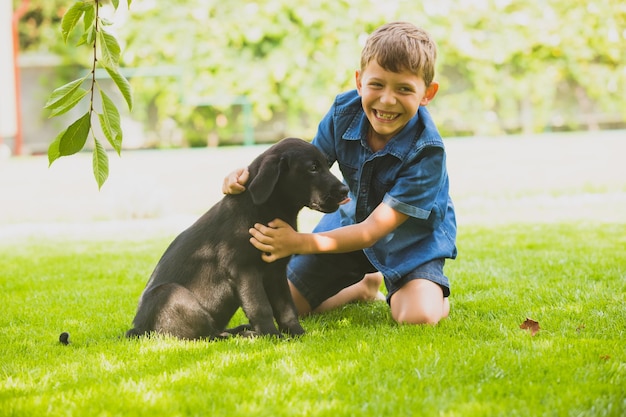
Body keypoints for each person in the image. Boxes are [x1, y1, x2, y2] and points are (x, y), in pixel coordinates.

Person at [223, 21, 457, 325]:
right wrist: (246, 178)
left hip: (411, 243)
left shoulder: (428, 150)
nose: (387, 100)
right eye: (377, 84)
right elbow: (303, 168)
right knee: (281, 305)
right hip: (349, 225)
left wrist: (298, 242)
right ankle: (363, 286)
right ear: (359, 82)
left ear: (427, 93)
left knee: (418, 318)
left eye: (404, 89)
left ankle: (427, 296)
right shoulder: (343, 113)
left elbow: (373, 231)